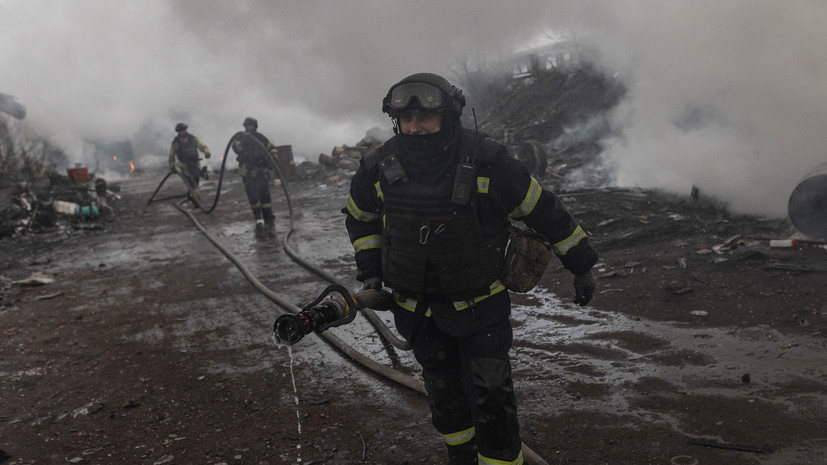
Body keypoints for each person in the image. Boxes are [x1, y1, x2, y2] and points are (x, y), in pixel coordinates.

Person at [343, 73, 599, 465]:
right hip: (417, 312)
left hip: (482, 311)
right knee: (446, 400)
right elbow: (360, 218)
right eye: (406, 121)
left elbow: (543, 210)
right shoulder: (379, 166)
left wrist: (581, 264)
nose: (414, 128)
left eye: (424, 119)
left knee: (492, 401)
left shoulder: (488, 162)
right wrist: (371, 270)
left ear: (449, 115)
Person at [231, 117, 279, 225]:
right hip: (248, 173)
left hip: (261, 171)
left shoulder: (260, 137)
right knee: (253, 196)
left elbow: (271, 147)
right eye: (248, 126)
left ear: (256, 127)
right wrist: (244, 139)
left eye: (252, 126)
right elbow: (236, 149)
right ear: (245, 127)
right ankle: (257, 215)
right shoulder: (239, 137)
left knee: (265, 194)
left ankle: (268, 214)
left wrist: (274, 154)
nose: (250, 128)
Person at [169, 123, 212, 199]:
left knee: (196, 182)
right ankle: (196, 200)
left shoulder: (192, 139)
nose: (182, 132)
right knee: (192, 183)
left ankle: (192, 196)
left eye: (183, 130)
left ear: (186, 130)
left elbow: (201, 146)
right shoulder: (176, 142)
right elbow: (171, 155)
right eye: (180, 131)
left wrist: (206, 152)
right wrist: (172, 167)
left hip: (195, 164)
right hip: (184, 166)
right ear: (178, 132)